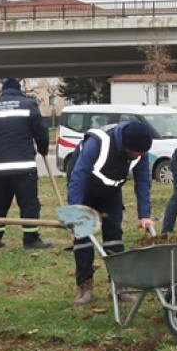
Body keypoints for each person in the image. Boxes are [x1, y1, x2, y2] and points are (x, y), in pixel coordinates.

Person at [65, 120, 155, 306]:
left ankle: (119, 286)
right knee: (83, 236)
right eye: (138, 153)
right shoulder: (98, 144)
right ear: (126, 147)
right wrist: (75, 210)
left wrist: (144, 214)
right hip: (84, 187)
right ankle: (85, 286)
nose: (142, 156)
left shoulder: (141, 150)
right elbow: (79, 175)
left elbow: (143, 180)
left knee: (114, 235)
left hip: (111, 191)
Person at [0, 77, 52, 250]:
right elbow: (41, 131)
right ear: (19, 90)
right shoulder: (28, 105)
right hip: (24, 166)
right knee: (29, 202)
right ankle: (31, 239)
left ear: (3, 91)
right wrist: (43, 149)